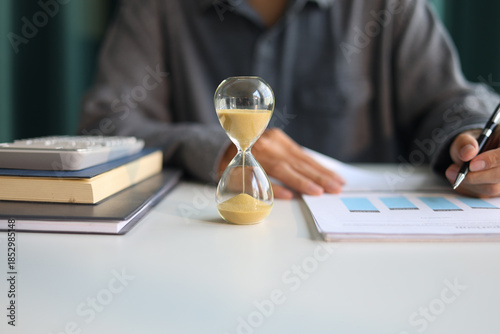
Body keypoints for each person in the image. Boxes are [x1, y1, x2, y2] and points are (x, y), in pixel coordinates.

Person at [78, 0, 500, 199]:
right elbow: (107, 126)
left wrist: (471, 141)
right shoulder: (157, 10)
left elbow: (447, 99)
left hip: (359, 251)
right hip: (199, 245)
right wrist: (214, 148)